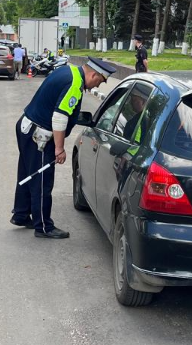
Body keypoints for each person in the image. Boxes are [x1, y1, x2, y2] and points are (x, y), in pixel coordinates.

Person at [11, 57, 116, 238]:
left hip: (26, 127)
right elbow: (59, 117)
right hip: (39, 136)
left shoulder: (68, 70)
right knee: (42, 181)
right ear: (93, 74)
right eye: (99, 81)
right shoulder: (75, 84)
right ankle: (44, 227)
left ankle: (21, 214)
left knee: (29, 174)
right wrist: (59, 149)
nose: (96, 86)